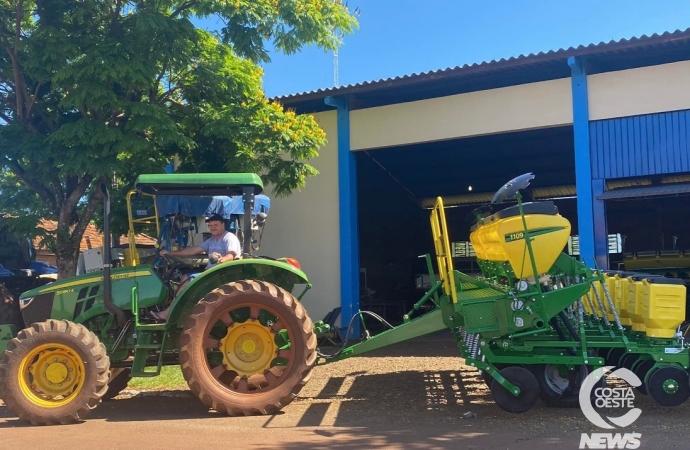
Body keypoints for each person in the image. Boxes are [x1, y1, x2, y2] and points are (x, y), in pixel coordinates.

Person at [149, 214, 242, 321]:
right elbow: (194, 250)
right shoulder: (212, 240)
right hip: (212, 272)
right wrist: (171, 253)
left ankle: (168, 314)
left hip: (222, 274)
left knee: (187, 280)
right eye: (210, 226)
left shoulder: (229, 237)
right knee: (183, 277)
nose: (213, 228)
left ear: (223, 225)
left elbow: (232, 254)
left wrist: (222, 259)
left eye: (216, 225)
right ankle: (175, 310)